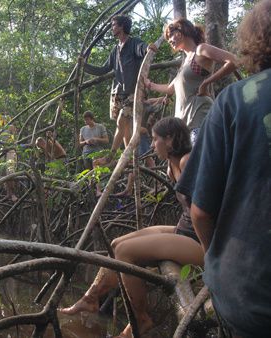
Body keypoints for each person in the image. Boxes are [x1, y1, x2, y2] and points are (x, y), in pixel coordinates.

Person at [175, 1, 271, 336]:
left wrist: (213, 259)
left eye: (174, 31)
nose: (172, 36)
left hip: (248, 299)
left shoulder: (233, 100)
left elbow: (200, 212)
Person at [60, 117, 204, 338]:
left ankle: (140, 319)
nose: (152, 145)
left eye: (155, 140)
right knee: (117, 244)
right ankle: (91, 299)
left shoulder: (187, 161)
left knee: (124, 252)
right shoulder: (170, 166)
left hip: (201, 241)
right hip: (184, 230)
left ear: (170, 139)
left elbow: (208, 207)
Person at [145, 18, 237, 143]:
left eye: (170, 36)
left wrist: (206, 83)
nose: (169, 41)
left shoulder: (200, 50)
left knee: (198, 157)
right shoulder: (185, 61)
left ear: (179, 33)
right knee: (184, 160)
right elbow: (170, 88)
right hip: (183, 122)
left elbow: (234, 61)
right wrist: (149, 84)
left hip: (199, 114)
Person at [85, 15, 155, 161]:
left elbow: (141, 48)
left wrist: (148, 47)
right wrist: (84, 66)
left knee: (121, 122)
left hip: (133, 92)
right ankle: (133, 159)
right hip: (118, 94)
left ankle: (111, 155)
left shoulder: (133, 42)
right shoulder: (115, 50)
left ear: (122, 26)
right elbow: (103, 69)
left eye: (114, 25)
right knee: (124, 128)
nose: (112, 28)